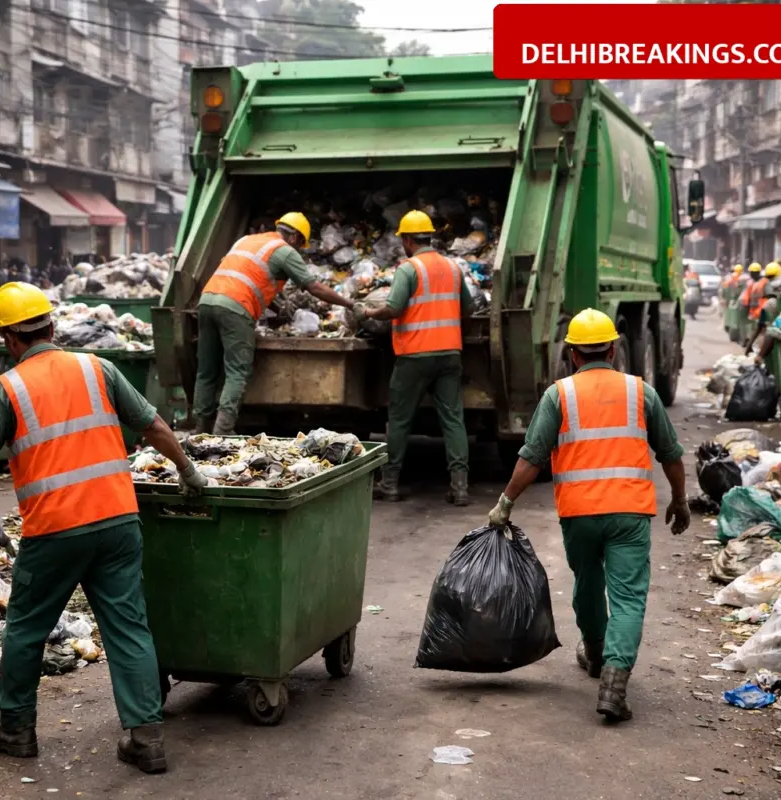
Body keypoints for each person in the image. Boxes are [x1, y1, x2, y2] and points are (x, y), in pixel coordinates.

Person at [0, 282, 208, 774]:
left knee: (26, 629)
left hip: (56, 531)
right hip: (118, 521)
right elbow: (154, 426)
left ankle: (16, 729)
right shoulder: (96, 368)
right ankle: (146, 739)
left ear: (8, 340)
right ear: (52, 328)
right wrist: (188, 472)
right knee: (127, 628)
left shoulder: (10, 389)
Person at [486, 309, 689, 723]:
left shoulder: (558, 395)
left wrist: (505, 502)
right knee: (628, 597)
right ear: (614, 350)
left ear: (573, 354)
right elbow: (670, 453)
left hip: (579, 514)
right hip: (630, 513)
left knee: (588, 585)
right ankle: (614, 680)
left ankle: (595, 654)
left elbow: (532, 457)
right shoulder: (641, 392)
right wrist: (680, 501)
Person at [193, 212, 355, 435]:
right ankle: (222, 430)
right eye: (300, 244)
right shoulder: (284, 250)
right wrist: (351, 305)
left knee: (206, 370)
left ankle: (200, 430)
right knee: (237, 371)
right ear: (295, 237)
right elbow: (314, 287)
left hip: (207, 301)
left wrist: (280, 309)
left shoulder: (246, 240)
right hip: (236, 306)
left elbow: (249, 277)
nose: (298, 249)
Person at [355, 210, 477, 506]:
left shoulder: (409, 269)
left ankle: (391, 484)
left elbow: (394, 307)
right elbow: (469, 309)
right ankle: (460, 488)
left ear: (409, 240)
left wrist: (368, 312)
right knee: (453, 420)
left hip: (415, 356)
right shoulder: (452, 267)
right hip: (450, 353)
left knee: (399, 420)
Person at [745, 262, 781, 360]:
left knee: (765, 332)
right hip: (761, 313)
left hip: (759, 313)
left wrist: (749, 349)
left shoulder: (760, 284)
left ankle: (759, 356)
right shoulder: (776, 294)